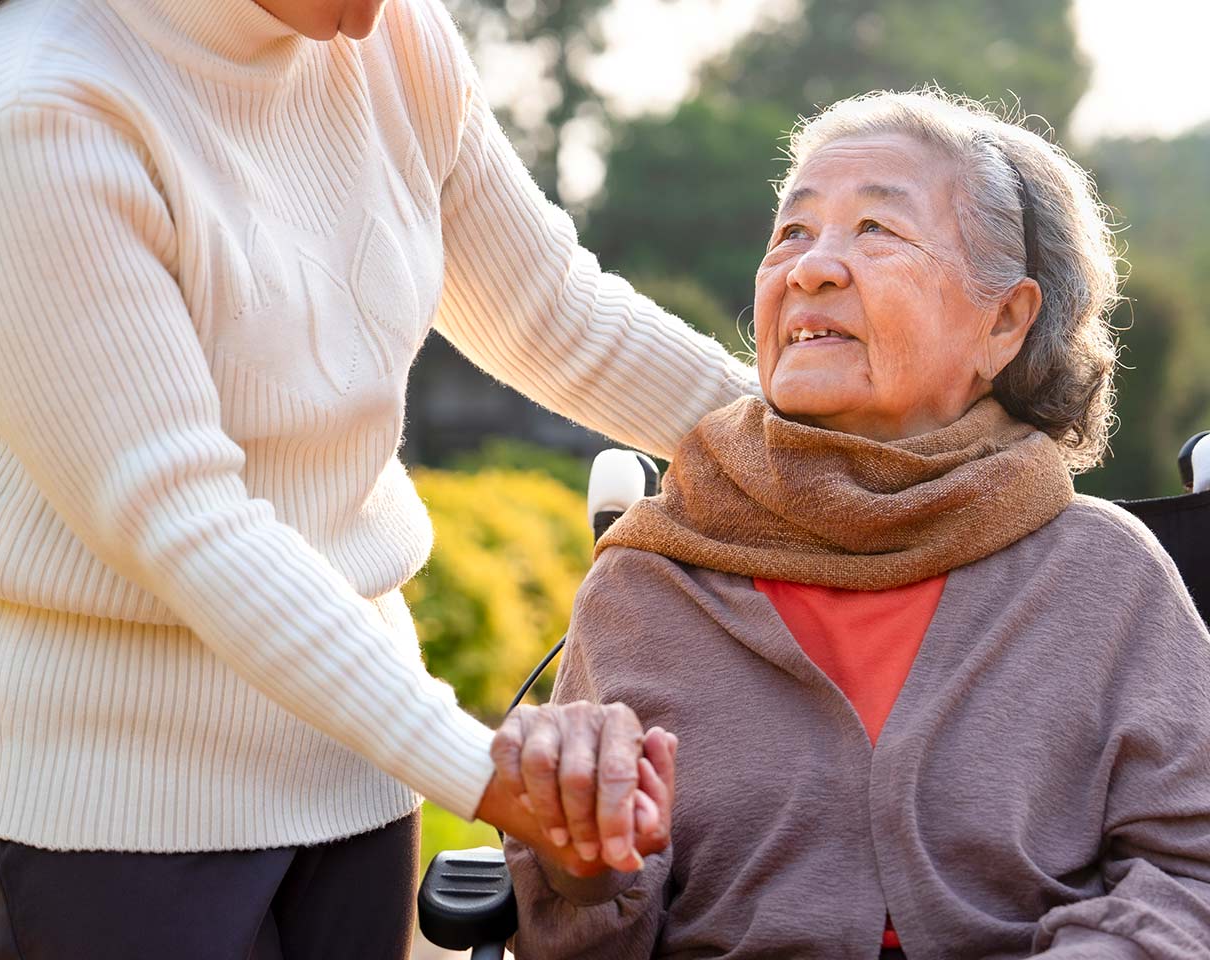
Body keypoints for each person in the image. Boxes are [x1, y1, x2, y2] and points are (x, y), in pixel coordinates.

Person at [0, 0, 740, 955]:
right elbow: (184, 520)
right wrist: (485, 768)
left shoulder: (391, 41)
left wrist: (835, 447)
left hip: (350, 777)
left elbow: (555, 312)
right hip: (106, 816)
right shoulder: (34, 109)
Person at [505, 88, 1210, 958]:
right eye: (792, 234)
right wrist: (582, 865)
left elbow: (1194, 874)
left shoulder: (1106, 578)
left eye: (877, 231)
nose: (811, 269)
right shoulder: (652, 580)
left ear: (1004, 321)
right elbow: (582, 935)